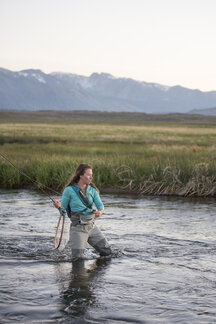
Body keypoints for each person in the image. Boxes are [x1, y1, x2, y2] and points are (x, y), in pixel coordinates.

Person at [53, 163, 111, 260]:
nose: (91, 177)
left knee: (107, 252)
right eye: (88, 175)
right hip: (77, 229)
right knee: (77, 259)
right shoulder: (69, 190)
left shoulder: (93, 190)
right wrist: (58, 207)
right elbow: (63, 210)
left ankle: (95, 273)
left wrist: (100, 212)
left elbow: (100, 206)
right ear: (80, 175)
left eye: (91, 175)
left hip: (91, 227)